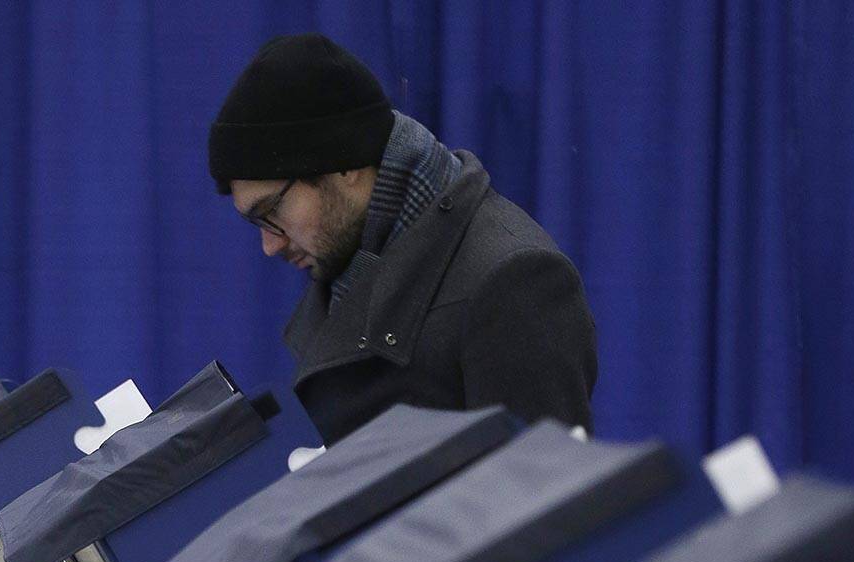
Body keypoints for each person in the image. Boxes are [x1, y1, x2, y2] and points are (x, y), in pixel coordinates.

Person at [208, 33, 597, 444]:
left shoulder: (514, 279)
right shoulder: (352, 262)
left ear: (344, 166)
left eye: (273, 211)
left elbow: (543, 495)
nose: (270, 246)